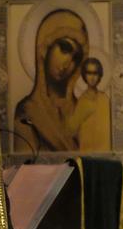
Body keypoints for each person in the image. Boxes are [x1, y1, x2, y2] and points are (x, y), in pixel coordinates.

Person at [14, 9, 87, 152]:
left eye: (75, 58)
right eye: (64, 49)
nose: (68, 63)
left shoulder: (81, 110)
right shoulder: (27, 112)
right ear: (45, 48)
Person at [66, 57, 111, 151]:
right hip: (87, 153)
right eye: (89, 73)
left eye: (95, 73)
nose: (92, 77)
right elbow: (71, 130)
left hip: (104, 152)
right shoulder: (82, 101)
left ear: (100, 76)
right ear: (84, 75)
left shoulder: (105, 99)